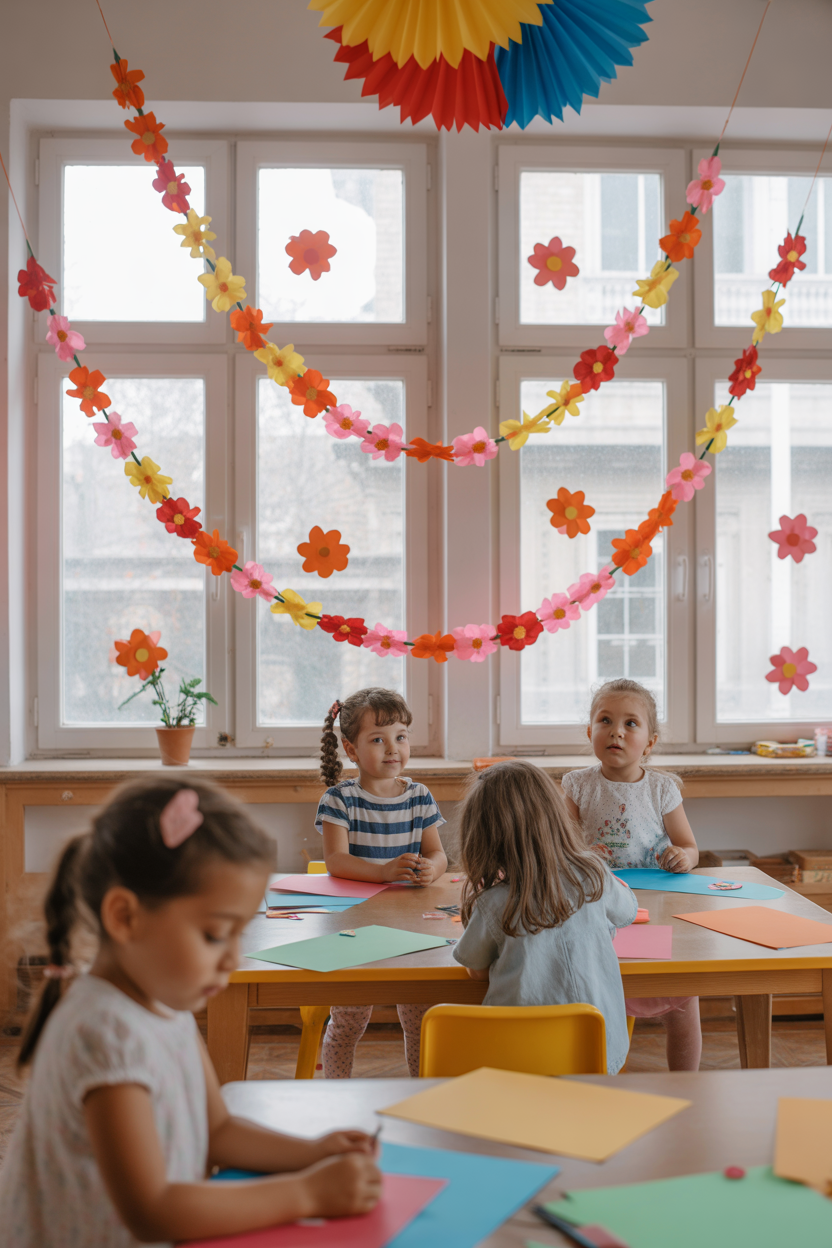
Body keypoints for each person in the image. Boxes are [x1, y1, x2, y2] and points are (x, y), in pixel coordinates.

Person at [0, 778, 381, 1247]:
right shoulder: (102, 1030)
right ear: (125, 917)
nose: (232, 959)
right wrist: (307, 1193)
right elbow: (153, 1211)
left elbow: (216, 1129)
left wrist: (311, 1153)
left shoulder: (162, 1001)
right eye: (215, 934)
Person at [452, 759, 637, 1075]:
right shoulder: (593, 874)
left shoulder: (492, 902)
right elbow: (627, 912)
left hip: (519, 1058)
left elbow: (477, 972)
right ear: (555, 818)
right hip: (597, 1052)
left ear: (481, 837)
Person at [562, 677, 702, 1072]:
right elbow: (562, 848)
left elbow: (690, 847)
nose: (616, 732)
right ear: (590, 732)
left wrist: (682, 857)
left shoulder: (662, 789)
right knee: (599, 986)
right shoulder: (576, 784)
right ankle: (602, 1074)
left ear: (651, 742)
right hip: (597, 907)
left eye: (631, 724)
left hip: (656, 904)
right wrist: (582, 853)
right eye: (605, 721)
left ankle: (685, 1083)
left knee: (682, 995)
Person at [317, 687, 447, 1078]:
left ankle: (419, 1091)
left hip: (412, 929)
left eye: (400, 737)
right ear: (351, 749)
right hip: (356, 929)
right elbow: (336, 861)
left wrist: (433, 869)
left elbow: (438, 854)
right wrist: (383, 872)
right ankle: (337, 1089)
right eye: (378, 739)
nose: (393, 749)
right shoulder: (339, 799)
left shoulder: (419, 796)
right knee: (349, 1020)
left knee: (420, 1021)